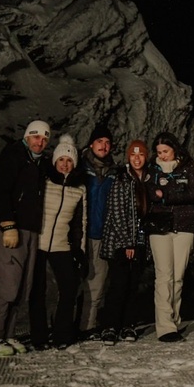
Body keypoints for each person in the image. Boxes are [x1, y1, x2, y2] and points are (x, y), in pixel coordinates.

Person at [0, 120, 51, 356]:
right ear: (27, 137)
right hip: (11, 230)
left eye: (44, 139)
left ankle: (7, 334)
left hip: (31, 230)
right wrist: (7, 223)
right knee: (8, 285)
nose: (40, 142)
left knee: (23, 288)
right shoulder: (12, 156)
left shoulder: (40, 163)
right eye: (36, 137)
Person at [30, 134, 87, 349]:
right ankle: (39, 336)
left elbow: (80, 222)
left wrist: (79, 249)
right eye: (61, 160)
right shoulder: (45, 181)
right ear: (55, 161)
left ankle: (62, 334)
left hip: (61, 245)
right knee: (38, 290)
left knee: (69, 288)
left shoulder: (79, 188)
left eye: (69, 160)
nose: (65, 164)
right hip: (38, 242)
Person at [144, 132, 194, 342]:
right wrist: (176, 192)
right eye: (159, 152)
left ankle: (175, 320)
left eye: (166, 151)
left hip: (185, 226)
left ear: (174, 149)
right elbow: (152, 194)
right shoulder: (152, 170)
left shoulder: (189, 167)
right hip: (159, 228)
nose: (163, 155)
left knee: (178, 277)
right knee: (163, 276)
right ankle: (165, 326)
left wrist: (166, 194)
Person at [97, 139, 152, 345]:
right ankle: (110, 325)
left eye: (140, 155)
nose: (137, 159)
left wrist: (139, 243)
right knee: (118, 284)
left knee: (133, 285)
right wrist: (127, 243)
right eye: (133, 155)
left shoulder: (147, 180)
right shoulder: (121, 179)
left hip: (139, 241)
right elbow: (117, 213)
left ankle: (128, 324)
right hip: (120, 242)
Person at [79, 123, 119, 338]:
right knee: (72, 283)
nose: (103, 146)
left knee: (96, 284)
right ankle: (63, 325)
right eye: (99, 141)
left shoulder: (114, 172)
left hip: (102, 235)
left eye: (107, 142)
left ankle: (88, 327)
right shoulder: (79, 168)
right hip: (79, 235)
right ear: (91, 144)